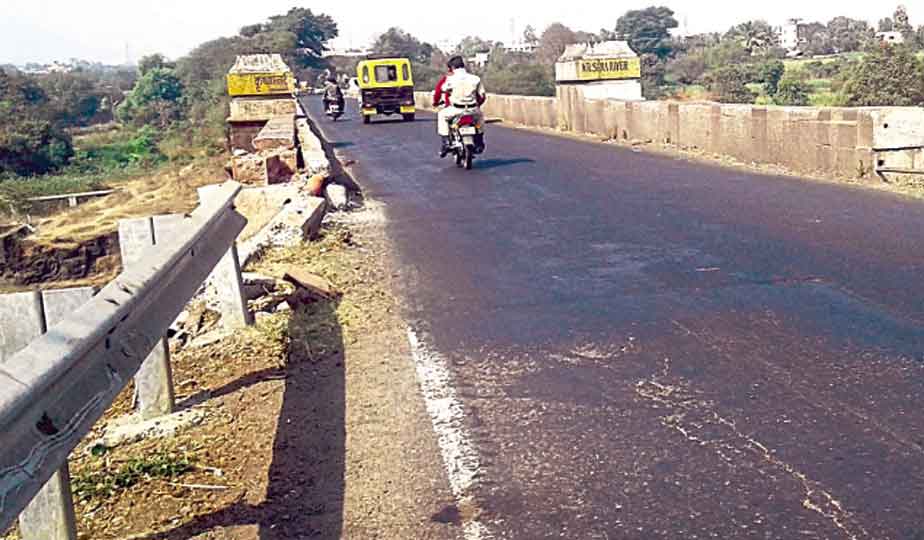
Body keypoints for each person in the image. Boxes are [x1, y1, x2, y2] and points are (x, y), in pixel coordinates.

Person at [437, 56, 486, 157]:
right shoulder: (475, 79)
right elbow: (482, 95)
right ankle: (479, 141)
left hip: (456, 109)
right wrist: (477, 105)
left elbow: (443, 89)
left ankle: (445, 142)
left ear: (453, 68)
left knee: (442, 116)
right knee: (480, 119)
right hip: (472, 109)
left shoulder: (451, 79)